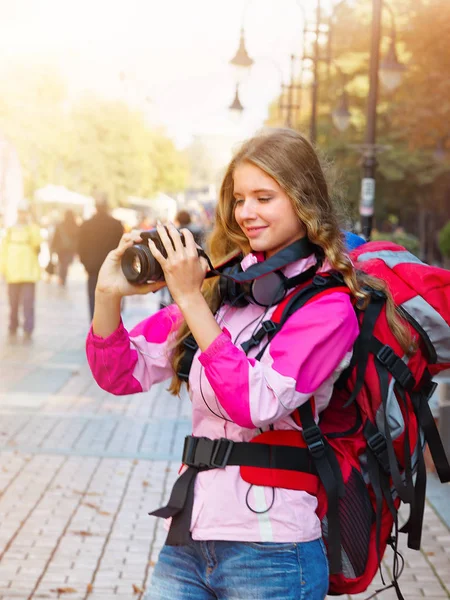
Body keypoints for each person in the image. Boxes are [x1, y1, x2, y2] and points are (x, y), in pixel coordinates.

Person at [85, 129, 410, 599]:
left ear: (303, 201)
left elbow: (254, 402)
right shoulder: (227, 291)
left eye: (264, 196)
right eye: (239, 199)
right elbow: (121, 372)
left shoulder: (329, 307)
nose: (247, 212)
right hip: (189, 539)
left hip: (272, 551)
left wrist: (191, 298)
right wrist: (106, 295)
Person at [0, 199, 42, 342]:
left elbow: (37, 243)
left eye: (25, 212)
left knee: (28, 303)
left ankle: (28, 327)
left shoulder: (33, 229)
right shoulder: (10, 230)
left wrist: (30, 226)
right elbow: (3, 251)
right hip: (13, 273)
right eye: (20, 212)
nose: (22, 215)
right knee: (13, 303)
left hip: (28, 273)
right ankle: (13, 325)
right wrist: (3, 269)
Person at [78, 196, 124, 320]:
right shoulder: (116, 224)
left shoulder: (86, 225)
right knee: (112, 299)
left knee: (93, 298)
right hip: (112, 267)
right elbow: (122, 245)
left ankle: (95, 327)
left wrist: (85, 263)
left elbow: (81, 247)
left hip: (92, 267)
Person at [50, 209, 79, 286]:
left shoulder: (61, 225)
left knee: (62, 264)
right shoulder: (75, 225)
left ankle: (62, 278)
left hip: (61, 249)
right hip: (70, 249)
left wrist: (53, 247)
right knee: (65, 264)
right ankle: (63, 278)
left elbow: (55, 237)